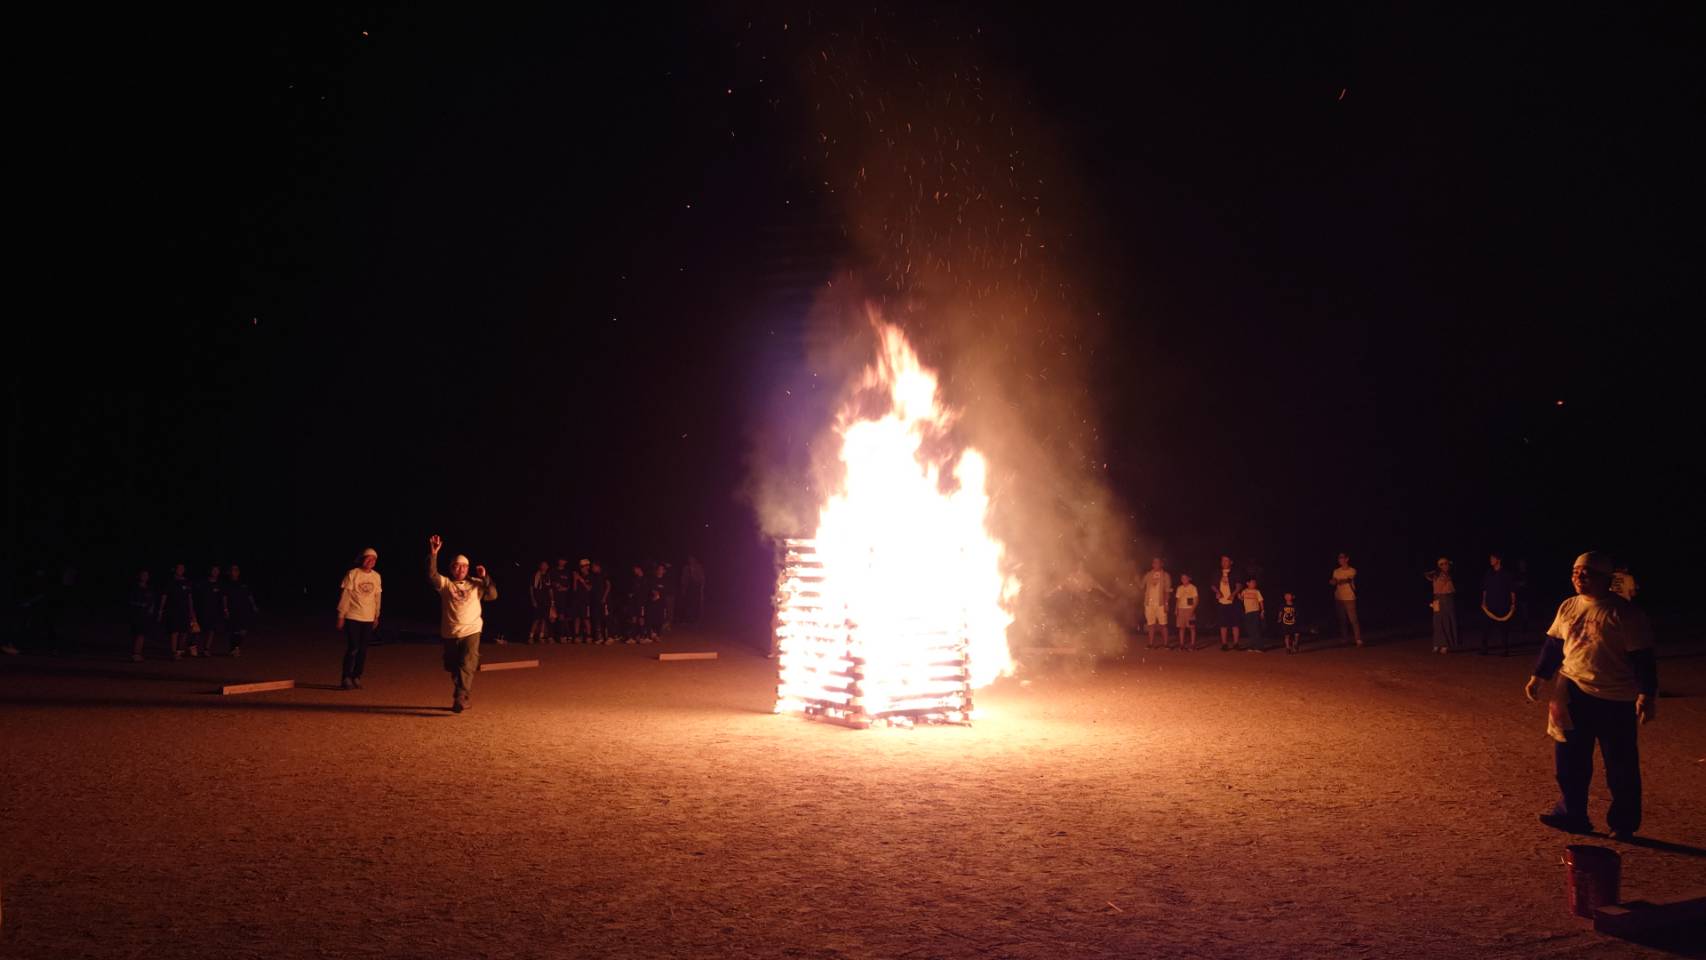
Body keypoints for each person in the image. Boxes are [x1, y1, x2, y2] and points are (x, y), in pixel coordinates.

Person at [1524, 551, 1657, 840]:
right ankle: (1572, 813)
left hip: (1615, 698)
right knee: (1569, 759)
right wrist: (1539, 676)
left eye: (1586, 573)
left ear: (1606, 578)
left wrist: (1646, 693)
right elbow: (1554, 643)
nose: (1578, 577)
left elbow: (1643, 657)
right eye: (1574, 572)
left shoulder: (1624, 613)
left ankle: (1623, 823)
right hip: (1572, 691)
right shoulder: (1569, 606)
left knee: (1620, 764)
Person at [427, 535, 498, 713]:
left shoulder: (475, 584)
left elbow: (492, 595)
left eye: (465, 566)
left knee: (467, 662)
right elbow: (432, 575)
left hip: (472, 629)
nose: (461, 569)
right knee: (453, 666)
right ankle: (463, 694)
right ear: (452, 568)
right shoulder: (446, 584)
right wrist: (434, 554)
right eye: (457, 565)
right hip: (450, 631)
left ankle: (460, 696)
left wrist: (485, 577)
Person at [336, 548, 382, 689]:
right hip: (353, 616)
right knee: (353, 648)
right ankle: (346, 677)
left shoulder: (376, 576)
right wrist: (341, 615)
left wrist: (376, 615)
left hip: (368, 618)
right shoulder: (353, 574)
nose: (370, 561)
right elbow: (346, 596)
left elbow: (377, 597)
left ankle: (357, 676)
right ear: (362, 559)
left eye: (373, 559)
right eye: (368, 558)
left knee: (363, 649)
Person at [157, 562, 197, 660]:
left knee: (184, 631)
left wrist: (192, 611)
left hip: (184, 610)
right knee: (174, 631)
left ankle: (180, 650)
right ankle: (174, 652)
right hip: (173, 610)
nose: (181, 570)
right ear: (175, 569)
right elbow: (164, 596)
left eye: (182, 568)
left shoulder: (187, 582)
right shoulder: (170, 582)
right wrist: (161, 610)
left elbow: (189, 598)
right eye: (179, 568)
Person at [1479, 553, 1517, 656]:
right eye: (1490, 558)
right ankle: (1484, 649)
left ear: (1498, 560)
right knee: (1485, 627)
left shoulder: (1507, 574)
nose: (1491, 560)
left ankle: (1505, 649)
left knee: (1503, 627)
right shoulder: (1489, 573)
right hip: (1490, 604)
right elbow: (1485, 589)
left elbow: (1512, 590)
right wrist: (1483, 601)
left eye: (1493, 558)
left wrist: (1513, 603)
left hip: (1503, 604)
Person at [1329, 553, 1363, 646]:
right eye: (1339, 558)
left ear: (1347, 559)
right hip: (1339, 597)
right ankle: (1344, 639)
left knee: (1353, 619)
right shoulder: (1336, 571)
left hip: (1349, 597)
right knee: (1342, 620)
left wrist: (1337, 581)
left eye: (1342, 558)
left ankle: (1358, 639)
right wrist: (1333, 582)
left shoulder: (1352, 570)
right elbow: (1333, 581)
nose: (1340, 560)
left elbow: (1347, 580)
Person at [1426, 556, 1458, 654]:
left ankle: (1445, 645)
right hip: (1438, 599)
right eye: (1442, 564)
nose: (1444, 565)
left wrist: (1449, 565)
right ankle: (1437, 644)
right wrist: (1436, 571)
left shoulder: (1450, 575)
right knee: (1437, 622)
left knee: (1446, 621)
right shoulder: (1435, 575)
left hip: (1448, 599)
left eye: (1446, 563)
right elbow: (1426, 575)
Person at [225, 565, 258, 657]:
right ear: (230, 572)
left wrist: (254, 605)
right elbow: (225, 597)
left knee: (243, 631)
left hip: (243, 610)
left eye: (236, 570)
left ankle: (235, 647)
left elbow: (249, 595)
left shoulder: (243, 583)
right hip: (233, 610)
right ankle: (234, 648)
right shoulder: (227, 584)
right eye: (233, 570)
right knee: (234, 631)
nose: (235, 572)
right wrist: (225, 608)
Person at [193, 565, 226, 657]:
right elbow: (196, 597)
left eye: (217, 570)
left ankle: (206, 649)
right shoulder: (203, 583)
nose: (215, 572)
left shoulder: (220, 584)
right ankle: (193, 645)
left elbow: (222, 597)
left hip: (214, 611)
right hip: (202, 610)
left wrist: (224, 609)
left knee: (211, 630)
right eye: (213, 570)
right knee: (199, 630)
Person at [1140, 558, 1172, 650]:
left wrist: (1166, 603)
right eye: (1154, 562)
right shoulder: (1148, 574)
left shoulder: (1165, 575)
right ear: (1152, 564)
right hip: (1149, 603)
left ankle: (1166, 644)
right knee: (1150, 624)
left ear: (1162, 564)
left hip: (1161, 603)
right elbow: (1142, 586)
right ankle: (1150, 644)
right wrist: (1136, 580)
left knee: (1163, 625)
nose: (1155, 564)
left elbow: (1167, 590)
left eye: (1157, 562)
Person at [1212, 555, 1241, 652]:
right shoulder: (1217, 572)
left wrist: (1233, 594)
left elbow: (1238, 585)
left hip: (1233, 601)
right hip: (1221, 601)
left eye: (1226, 560)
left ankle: (1236, 643)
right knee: (1223, 624)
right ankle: (1224, 644)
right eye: (1222, 561)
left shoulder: (1235, 572)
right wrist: (1217, 592)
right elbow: (1213, 585)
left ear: (1231, 562)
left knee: (1235, 623)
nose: (1224, 562)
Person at [128, 568, 156, 661]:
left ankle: (138, 652)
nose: (145, 577)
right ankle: (135, 653)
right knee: (137, 633)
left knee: (142, 634)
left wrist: (151, 608)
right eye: (143, 575)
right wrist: (140, 605)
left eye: (146, 575)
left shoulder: (149, 588)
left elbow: (152, 600)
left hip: (145, 614)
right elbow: (131, 601)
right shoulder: (134, 587)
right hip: (136, 614)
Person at [528, 561, 553, 644]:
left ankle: (541, 636)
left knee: (544, 619)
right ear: (540, 566)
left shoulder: (548, 576)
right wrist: (533, 599)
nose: (544, 566)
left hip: (546, 600)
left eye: (546, 565)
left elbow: (550, 589)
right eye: (543, 565)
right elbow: (531, 588)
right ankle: (531, 636)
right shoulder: (536, 575)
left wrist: (552, 600)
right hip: (538, 599)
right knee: (536, 619)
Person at [1239, 577, 1266, 652]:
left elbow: (1261, 601)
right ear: (1247, 583)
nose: (1254, 584)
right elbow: (1241, 599)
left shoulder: (1257, 591)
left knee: (1256, 629)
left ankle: (1259, 647)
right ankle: (1252, 646)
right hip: (1247, 612)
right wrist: (1239, 596)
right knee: (1250, 629)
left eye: (1255, 583)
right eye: (1252, 582)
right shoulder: (1244, 591)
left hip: (1255, 612)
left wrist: (1262, 611)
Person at [1174, 573, 1198, 651]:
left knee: (1192, 627)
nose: (1183, 580)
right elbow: (1178, 599)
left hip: (1189, 609)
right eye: (1182, 578)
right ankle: (1181, 644)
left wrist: (1192, 609)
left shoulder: (1193, 587)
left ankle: (1193, 644)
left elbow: (1196, 600)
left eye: (1185, 578)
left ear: (1189, 578)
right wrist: (1176, 609)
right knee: (1181, 627)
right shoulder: (1179, 588)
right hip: (1181, 609)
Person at [588, 560, 611, 643]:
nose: (592, 568)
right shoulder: (593, 576)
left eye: (593, 566)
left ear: (598, 566)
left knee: (604, 618)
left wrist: (604, 597)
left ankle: (607, 637)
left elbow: (608, 586)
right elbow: (590, 587)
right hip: (595, 600)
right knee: (596, 618)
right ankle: (599, 637)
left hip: (603, 601)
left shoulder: (604, 575)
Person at [678, 555, 706, 623]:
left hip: (696, 587)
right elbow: (683, 578)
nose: (691, 560)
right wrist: (683, 588)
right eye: (689, 559)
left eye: (692, 559)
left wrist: (702, 588)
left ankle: (696, 618)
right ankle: (688, 618)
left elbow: (702, 578)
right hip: (688, 588)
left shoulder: (698, 567)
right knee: (688, 603)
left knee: (696, 603)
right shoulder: (686, 568)